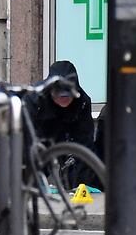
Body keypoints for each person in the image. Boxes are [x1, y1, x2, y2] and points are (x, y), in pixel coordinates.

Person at [24, 60, 98, 188]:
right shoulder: (35, 99)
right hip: (39, 133)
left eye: (67, 96)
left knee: (81, 161)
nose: (63, 99)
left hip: (66, 133)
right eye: (59, 95)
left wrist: (83, 186)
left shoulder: (82, 102)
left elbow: (85, 143)